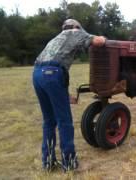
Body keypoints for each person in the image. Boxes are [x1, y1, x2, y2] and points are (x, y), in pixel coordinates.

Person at [32, 19, 106, 172]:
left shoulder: (56, 39)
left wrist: (65, 95)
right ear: (77, 27)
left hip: (37, 74)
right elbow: (98, 41)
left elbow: (50, 65)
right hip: (52, 74)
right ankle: (69, 164)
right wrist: (103, 38)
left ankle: (48, 162)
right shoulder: (76, 32)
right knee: (64, 121)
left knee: (49, 121)